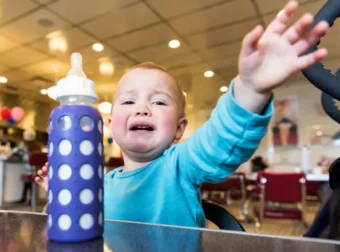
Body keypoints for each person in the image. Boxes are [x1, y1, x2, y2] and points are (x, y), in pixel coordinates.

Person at [35, 1, 329, 227]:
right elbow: (77, 223)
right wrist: (63, 191)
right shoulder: (104, 183)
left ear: (179, 129)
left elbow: (218, 142)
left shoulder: (179, 166)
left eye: (159, 103)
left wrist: (251, 89)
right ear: (111, 126)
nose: (142, 108)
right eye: (127, 102)